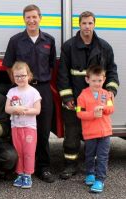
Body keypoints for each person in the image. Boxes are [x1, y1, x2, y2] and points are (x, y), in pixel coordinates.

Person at [57, 11, 119, 180]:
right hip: (76, 102)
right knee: (72, 133)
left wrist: (111, 91)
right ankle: (70, 166)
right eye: (84, 23)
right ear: (79, 24)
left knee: (96, 136)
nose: (87, 26)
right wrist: (67, 98)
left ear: (94, 24)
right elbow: (63, 74)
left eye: (90, 23)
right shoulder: (69, 46)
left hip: (98, 103)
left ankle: (92, 169)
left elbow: (112, 71)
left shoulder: (104, 47)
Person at [3, 4, 56, 183]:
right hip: (20, 90)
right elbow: (8, 65)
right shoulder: (15, 40)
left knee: (42, 130)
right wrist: (18, 85)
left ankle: (43, 168)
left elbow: (51, 64)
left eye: (34, 17)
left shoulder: (49, 40)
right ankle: (20, 169)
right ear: (24, 19)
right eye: (28, 17)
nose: (31, 20)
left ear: (40, 18)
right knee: (19, 131)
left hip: (42, 88)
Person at [76, 65, 114, 193]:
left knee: (102, 157)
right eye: (94, 80)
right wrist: (92, 114)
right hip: (90, 133)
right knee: (90, 155)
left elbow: (111, 109)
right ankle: (90, 174)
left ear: (104, 79)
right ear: (87, 80)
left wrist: (104, 108)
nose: (97, 83)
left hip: (105, 132)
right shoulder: (82, 96)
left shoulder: (106, 94)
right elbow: (79, 113)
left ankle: (100, 180)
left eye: (100, 80)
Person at [5, 61, 41, 188]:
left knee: (29, 151)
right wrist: (15, 110)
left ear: (29, 76)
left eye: (23, 75)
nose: (20, 78)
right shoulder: (12, 91)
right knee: (18, 151)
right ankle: (20, 174)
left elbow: (37, 110)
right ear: (13, 77)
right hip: (16, 127)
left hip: (29, 127)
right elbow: (7, 109)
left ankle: (28, 175)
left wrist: (23, 110)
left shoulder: (34, 92)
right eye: (17, 76)